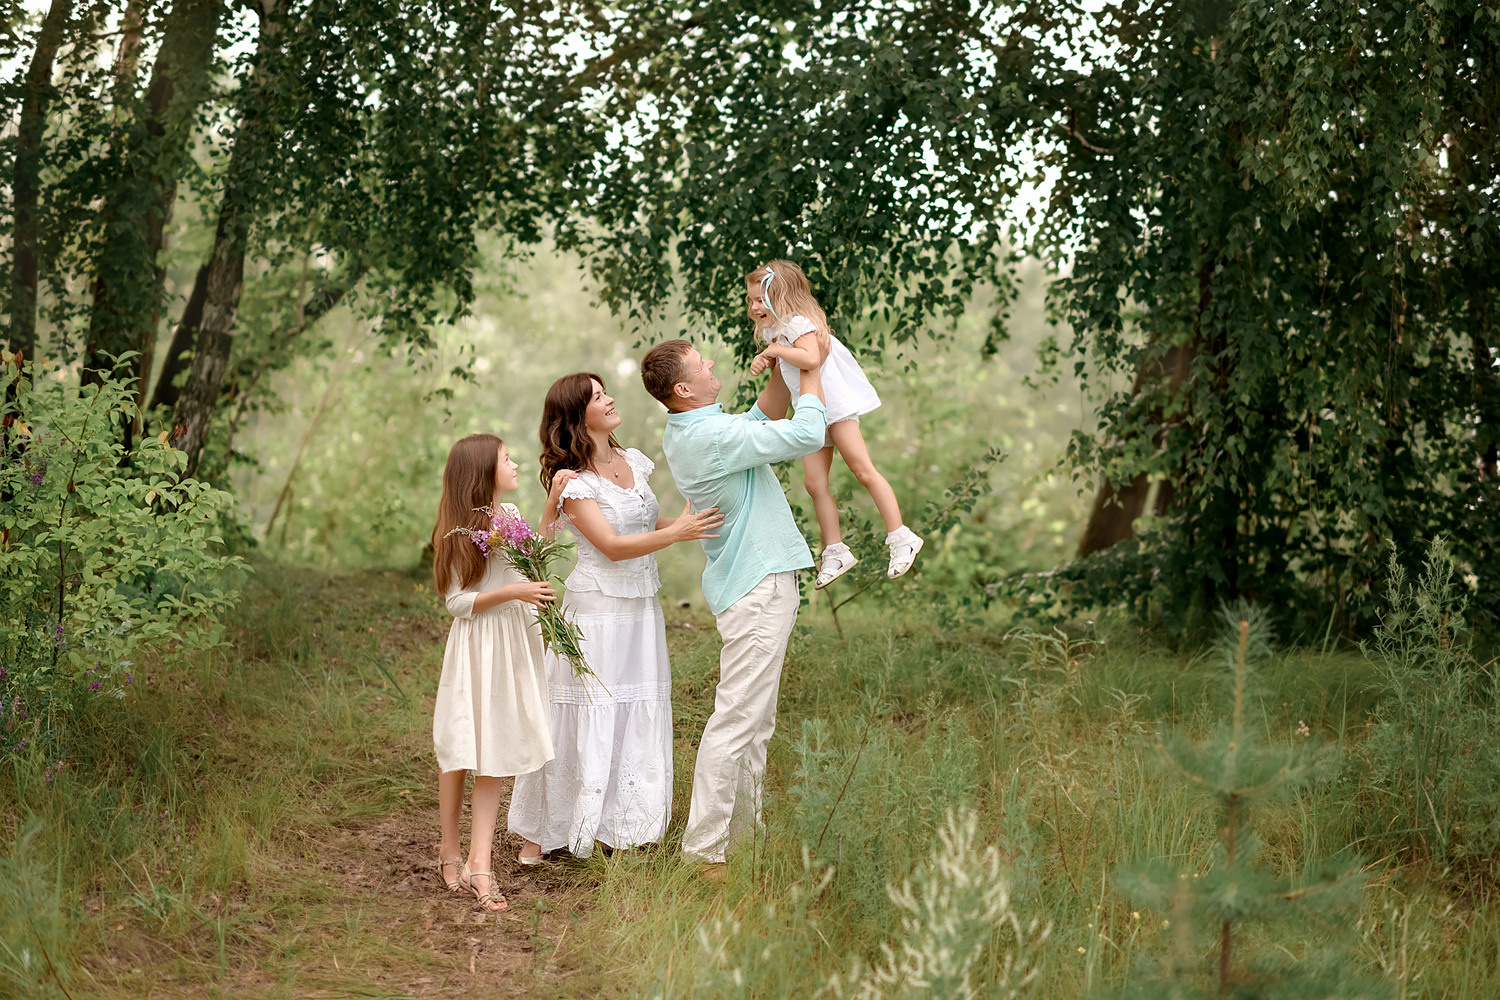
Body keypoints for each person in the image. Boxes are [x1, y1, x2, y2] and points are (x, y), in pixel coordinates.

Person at [509, 373, 724, 861]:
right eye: (596, 396)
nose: (608, 400)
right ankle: (546, 832)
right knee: (589, 711)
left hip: (640, 610)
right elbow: (610, 546)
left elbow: (646, 524)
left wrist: (695, 520)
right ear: (576, 415)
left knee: (634, 710)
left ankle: (619, 828)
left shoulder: (634, 463)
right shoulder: (574, 483)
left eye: (605, 391)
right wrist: (678, 535)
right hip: (597, 612)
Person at [639, 334, 828, 867]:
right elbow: (808, 431)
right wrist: (808, 367)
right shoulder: (712, 436)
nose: (712, 362)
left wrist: (778, 367)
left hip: (755, 584)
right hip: (757, 587)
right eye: (702, 362)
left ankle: (743, 840)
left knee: (755, 720)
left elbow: (762, 418)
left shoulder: (696, 428)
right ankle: (704, 852)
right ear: (683, 387)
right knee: (737, 719)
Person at [430, 434, 572, 911]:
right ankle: (449, 849)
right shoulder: (457, 529)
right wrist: (513, 594)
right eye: (506, 459)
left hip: (512, 645)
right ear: (483, 471)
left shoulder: (508, 518)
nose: (514, 465)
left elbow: (534, 558)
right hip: (477, 645)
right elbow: (457, 602)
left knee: (496, 750)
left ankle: (480, 863)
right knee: (462, 745)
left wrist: (552, 501)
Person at [746, 259, 923, 588]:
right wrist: (767, 355)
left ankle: (901, 536)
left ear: (782, 296)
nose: (755, 307)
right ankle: (835, 549)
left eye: (761, 299)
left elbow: (811, 358)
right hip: (811, 409)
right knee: (814, 484)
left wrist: (776, 351)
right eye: (752, 300)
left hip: (835, 404)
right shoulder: (777, 330)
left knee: (861, 468)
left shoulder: (800, 323)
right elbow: (785, 355)